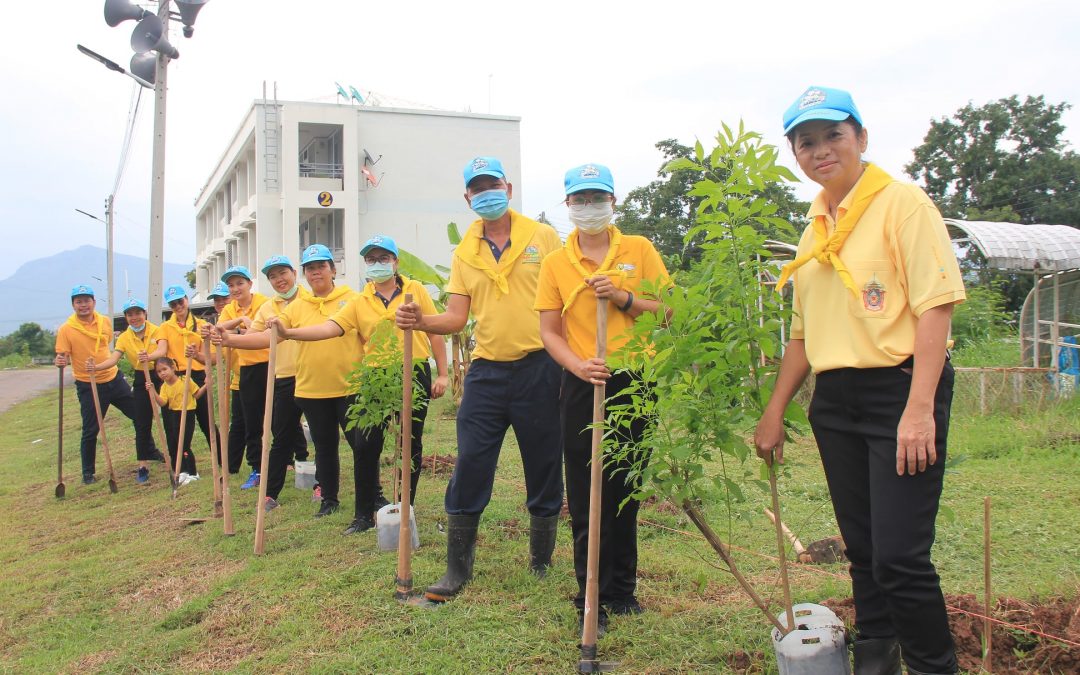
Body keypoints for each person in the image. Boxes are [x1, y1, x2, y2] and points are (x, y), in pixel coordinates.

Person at [754, 86, 966, 675]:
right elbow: (803, 335)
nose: (821, 150)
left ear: (861, 138)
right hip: (836, 400)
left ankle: (933, 666)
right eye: (806, 142)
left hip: (899, 391)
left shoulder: (903, 205)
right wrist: (774, 411)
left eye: (833, 136)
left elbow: (936, 307)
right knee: (865, 549)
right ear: (796, 154)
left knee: (900, 557)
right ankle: (877, 658)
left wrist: (919, 408)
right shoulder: (814, 231)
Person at [395, 156, 564, 602]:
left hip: (541, 367)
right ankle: (457, 568)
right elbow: (455, 317)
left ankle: (541, 560)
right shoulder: (464, 252)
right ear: (468, 197)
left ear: (508, 188)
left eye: (493, 185)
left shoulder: (542, 236)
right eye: (478, 188)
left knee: (544, 462)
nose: (487, 193)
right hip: (487, 371)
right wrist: (420, 320)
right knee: (470, 461)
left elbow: (564, 298)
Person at [536, 163, 671, 631]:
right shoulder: (555, 262)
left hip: (635, 381)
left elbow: (669, 312)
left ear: (613, 201)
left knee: (625, 487)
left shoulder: (639, 249)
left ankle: (623, 591)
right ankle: (590, 594)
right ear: (567, 204)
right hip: (584, 381)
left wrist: (623, 297)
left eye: (597, 198)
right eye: (580, 199)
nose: (588, 206)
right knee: (586, 488)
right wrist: (577, 366)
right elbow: (549, 331)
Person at [281, 235, 449, 534]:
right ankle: (363, 515)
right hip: (375, 377)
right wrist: (290, 333)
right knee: (364, 444)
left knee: (409, 443)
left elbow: (434, 330)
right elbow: (330, 327)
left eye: (383, 258)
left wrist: (443, 374)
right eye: (371, 259)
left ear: (395, 262)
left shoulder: (415, 290)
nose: (377, 264)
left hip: (413, 370)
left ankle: (403, 509)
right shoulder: (359, 301)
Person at [266, 244, 363, 518]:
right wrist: (228, 340)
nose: (316, 272)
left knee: (361, 446)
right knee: (324, 448)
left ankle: (372, 495)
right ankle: (329, 499)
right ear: (305, 274)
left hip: (350, 387)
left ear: (333, 269)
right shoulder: (297, 306)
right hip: (312, 390)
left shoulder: (353, 300)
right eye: (310, 268)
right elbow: (271, 337)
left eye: (321, 266)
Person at [212, 255, 313, 511]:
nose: (279, 280)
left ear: (294, 273)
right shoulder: (268, 307)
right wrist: (229, 338)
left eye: (283, 273)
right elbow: (254, 336)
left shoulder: (310, 299)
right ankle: (269, 492)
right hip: (280, 374)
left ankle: (321, 483)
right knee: (278, 432)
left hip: (311, 372)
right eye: (273, 276)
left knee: (322, 434)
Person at [54, 285, 139, 484]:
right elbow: (62, 355)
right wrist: (60, 361)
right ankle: (88, 472)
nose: (83, 305)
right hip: (88, 384)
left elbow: (106, 343)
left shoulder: (104, 321)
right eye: (79, 301)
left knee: (139, 414)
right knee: (91, 429)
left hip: (113, 378)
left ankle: (149, 451)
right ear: (73, 305)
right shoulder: (66, 329)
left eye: (87, 300)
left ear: (93, 302)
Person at [88, 297, 167, 483]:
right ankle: (143, 465)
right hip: (141, 377)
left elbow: (162, 351)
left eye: (138, 313)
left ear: (145, 313)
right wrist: (96, 368)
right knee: (141, 421)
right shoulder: (124, 337)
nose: (135, 317)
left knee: (171, 416)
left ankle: (178, 456)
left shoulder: (157, 330)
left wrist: (149, 356)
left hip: (162, 374)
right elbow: (114, 359)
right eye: (130, 314)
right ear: (126, 317)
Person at [216, 266, 271, 490]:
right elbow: (220, 329)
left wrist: (237, 330)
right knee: (251, 422)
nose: (235, 288)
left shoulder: (265, 303)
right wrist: (241, 320)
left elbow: (262, 331)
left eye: (240, 283)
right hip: (246, 368)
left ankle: (294, 458)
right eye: (231, 285)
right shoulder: (230, 308)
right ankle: (256, 467)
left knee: (280, 417)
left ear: (250, 283)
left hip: (270, 364)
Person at [158, 284, 219, 454]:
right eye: (173, 304)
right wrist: (148, 357)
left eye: (180, 301)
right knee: (175, 425)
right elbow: (161, 350)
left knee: (207, 421)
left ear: (186, 299)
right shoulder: (165, 328)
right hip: (175, 379)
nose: (178, 306)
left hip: (197, 376)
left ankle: (222, 459)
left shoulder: (202, 325)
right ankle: (181, 463)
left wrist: (197, 355)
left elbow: (213, 359)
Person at [210, 281, 247, 483]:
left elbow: (249, 331)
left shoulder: (241, 312)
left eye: (223, 298)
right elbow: (216, 354)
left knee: (275, 419)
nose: (220, 303)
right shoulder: (223, 318)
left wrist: (235, 331)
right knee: (238, 423)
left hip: (259, 373)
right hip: (237, 378)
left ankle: (295, 457)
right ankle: (230, 466)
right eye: (216, 300)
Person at [149, 356, 205, 486]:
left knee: (184, 444)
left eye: (164, 369)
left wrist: (207, 384)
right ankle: (183, 470)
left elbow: (197, 394)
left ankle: (193, 473)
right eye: (159, 371)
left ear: (173, 368)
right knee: (175, 442)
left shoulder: (184, 380)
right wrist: (152, 392)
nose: (162, 373)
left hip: (187, 413)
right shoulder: (164, 386)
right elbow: (163, 403)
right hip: (174, 414)